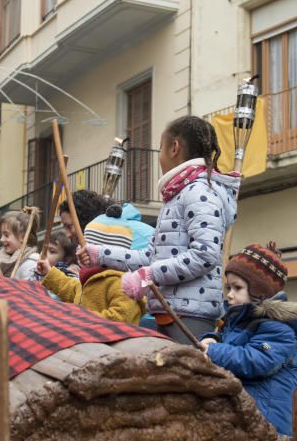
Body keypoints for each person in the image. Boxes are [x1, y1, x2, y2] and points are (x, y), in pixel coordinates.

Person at [79, 116, 239, 343]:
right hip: (171, 312)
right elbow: (149, 257)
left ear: (174, 148)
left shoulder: (199, 192)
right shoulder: (177, 196)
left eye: (161, 148)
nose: (160, 156)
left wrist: (150, 275)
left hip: (191, 314)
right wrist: (99, 254)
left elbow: (205, 255)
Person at [198, 243, 297, 436]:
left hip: (270, 427)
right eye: (229, 287)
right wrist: (213, 339)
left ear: (260, 292)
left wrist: (214, 351)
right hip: (246, 420)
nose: (230, 295)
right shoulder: (240, 321)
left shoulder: (281, 330)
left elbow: (256, 360)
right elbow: (233, 341)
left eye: (238, 287)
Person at [37, 217, 146, 324]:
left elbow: (121, 318)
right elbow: (72, 289)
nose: (79, 251)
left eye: (85, 247)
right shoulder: (90, 277)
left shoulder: (123, 284)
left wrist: (79, 318)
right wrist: (49, 272)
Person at [0, 210, 40, 280]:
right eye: (1, 235)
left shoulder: (32, 264)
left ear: (23, 237)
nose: (1, 239)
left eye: (6, 235)